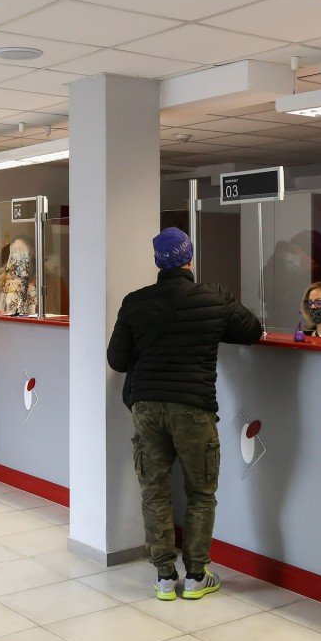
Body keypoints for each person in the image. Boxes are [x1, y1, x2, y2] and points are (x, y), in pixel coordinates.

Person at [107, 227, 262, 601]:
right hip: (194, 408)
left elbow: (117, 359)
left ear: (157, 262)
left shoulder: (135, 302)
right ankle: (195, 577)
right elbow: (252, 331)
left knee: (154, 491)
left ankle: (164, 577)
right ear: (190, 257)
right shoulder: (214, 297)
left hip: (146, 407)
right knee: (201, 493)